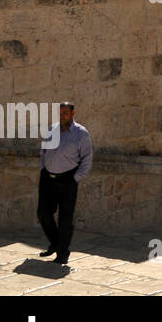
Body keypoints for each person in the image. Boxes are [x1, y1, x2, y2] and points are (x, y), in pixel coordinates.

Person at [38, 102, 92, 266]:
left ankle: (62, 253)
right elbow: (43, 152)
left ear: (73, 113)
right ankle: (55, 243)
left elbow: (87, 158)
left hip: (67, 180)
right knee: (43, 214)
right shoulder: (51, 130)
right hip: (48, 178)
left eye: (66, 113)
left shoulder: (81, 134)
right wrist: (43, 169)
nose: (63, 116)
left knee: (65, 219)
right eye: (60, 113)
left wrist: (75, 178)